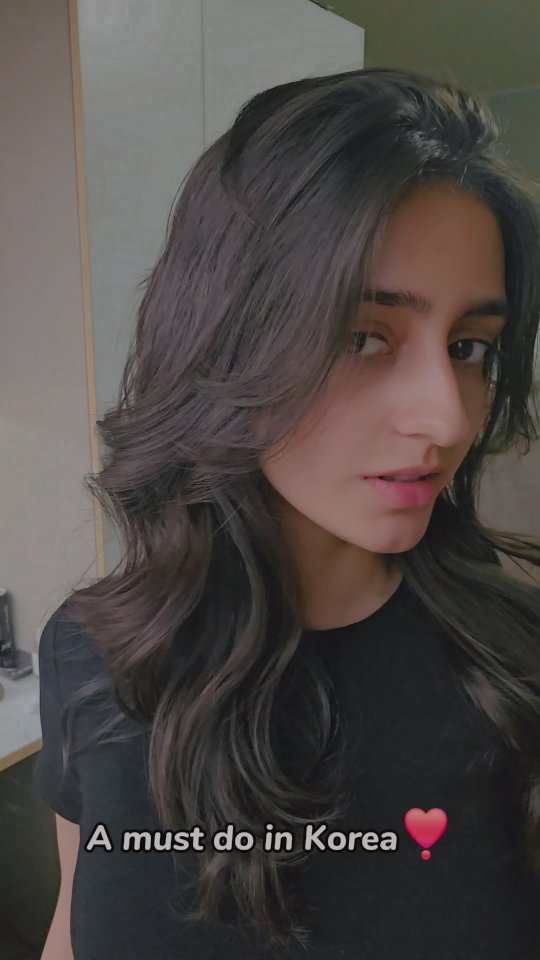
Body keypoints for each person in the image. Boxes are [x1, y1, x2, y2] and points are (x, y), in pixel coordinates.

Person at [33, 66, 540, 960]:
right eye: (364, 336)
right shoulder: (94, 652)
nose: (448, 418)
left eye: (469, 348)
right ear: (228, 337)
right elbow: (73, 927)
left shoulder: (512, 670)